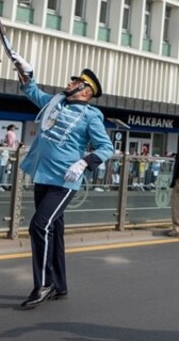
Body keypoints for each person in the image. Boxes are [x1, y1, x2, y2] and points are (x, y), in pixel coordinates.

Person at [11, 61, 115, 310]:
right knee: (54, 230)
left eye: (75, 82)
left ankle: (44, 284)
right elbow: (32, 91)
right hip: (43, 175)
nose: (69, 84)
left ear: (86, 91)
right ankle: (59, 285)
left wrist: (83, 163)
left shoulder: (90, 116)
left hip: (64, 180)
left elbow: (106, 148)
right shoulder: (55, 103)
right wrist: (27, 72)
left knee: (39, 225)